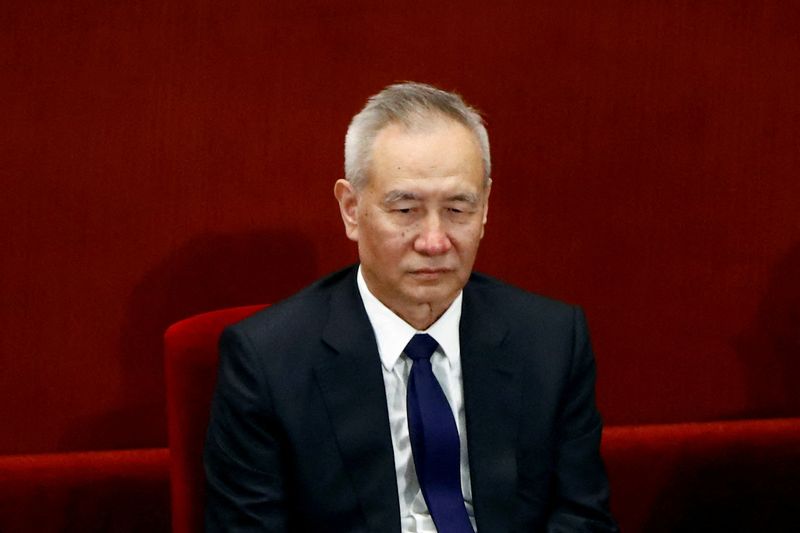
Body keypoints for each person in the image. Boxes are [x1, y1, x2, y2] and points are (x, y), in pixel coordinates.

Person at [204, 82, 618, 532]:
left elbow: (583, 519)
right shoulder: (269, 360)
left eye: (458, 208)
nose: (435, 241)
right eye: (406, 210)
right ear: (350, 209)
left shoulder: (551, 341)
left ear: (485, 210)